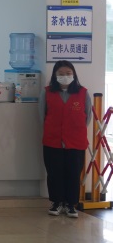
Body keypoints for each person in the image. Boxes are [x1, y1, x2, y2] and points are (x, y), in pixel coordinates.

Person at [40, 59, 91, 218]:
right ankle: (56, 202)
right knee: (54, 173)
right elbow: (42, 116)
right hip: (52, 140)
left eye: (68, 73)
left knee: (73, 173)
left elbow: (87, 117)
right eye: (61, 73)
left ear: (73, 74)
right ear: (55, 75)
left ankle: (70, 204)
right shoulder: (47, 92)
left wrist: (74, 130)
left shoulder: (82, 92)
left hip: (76, 141)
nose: (65, 76)